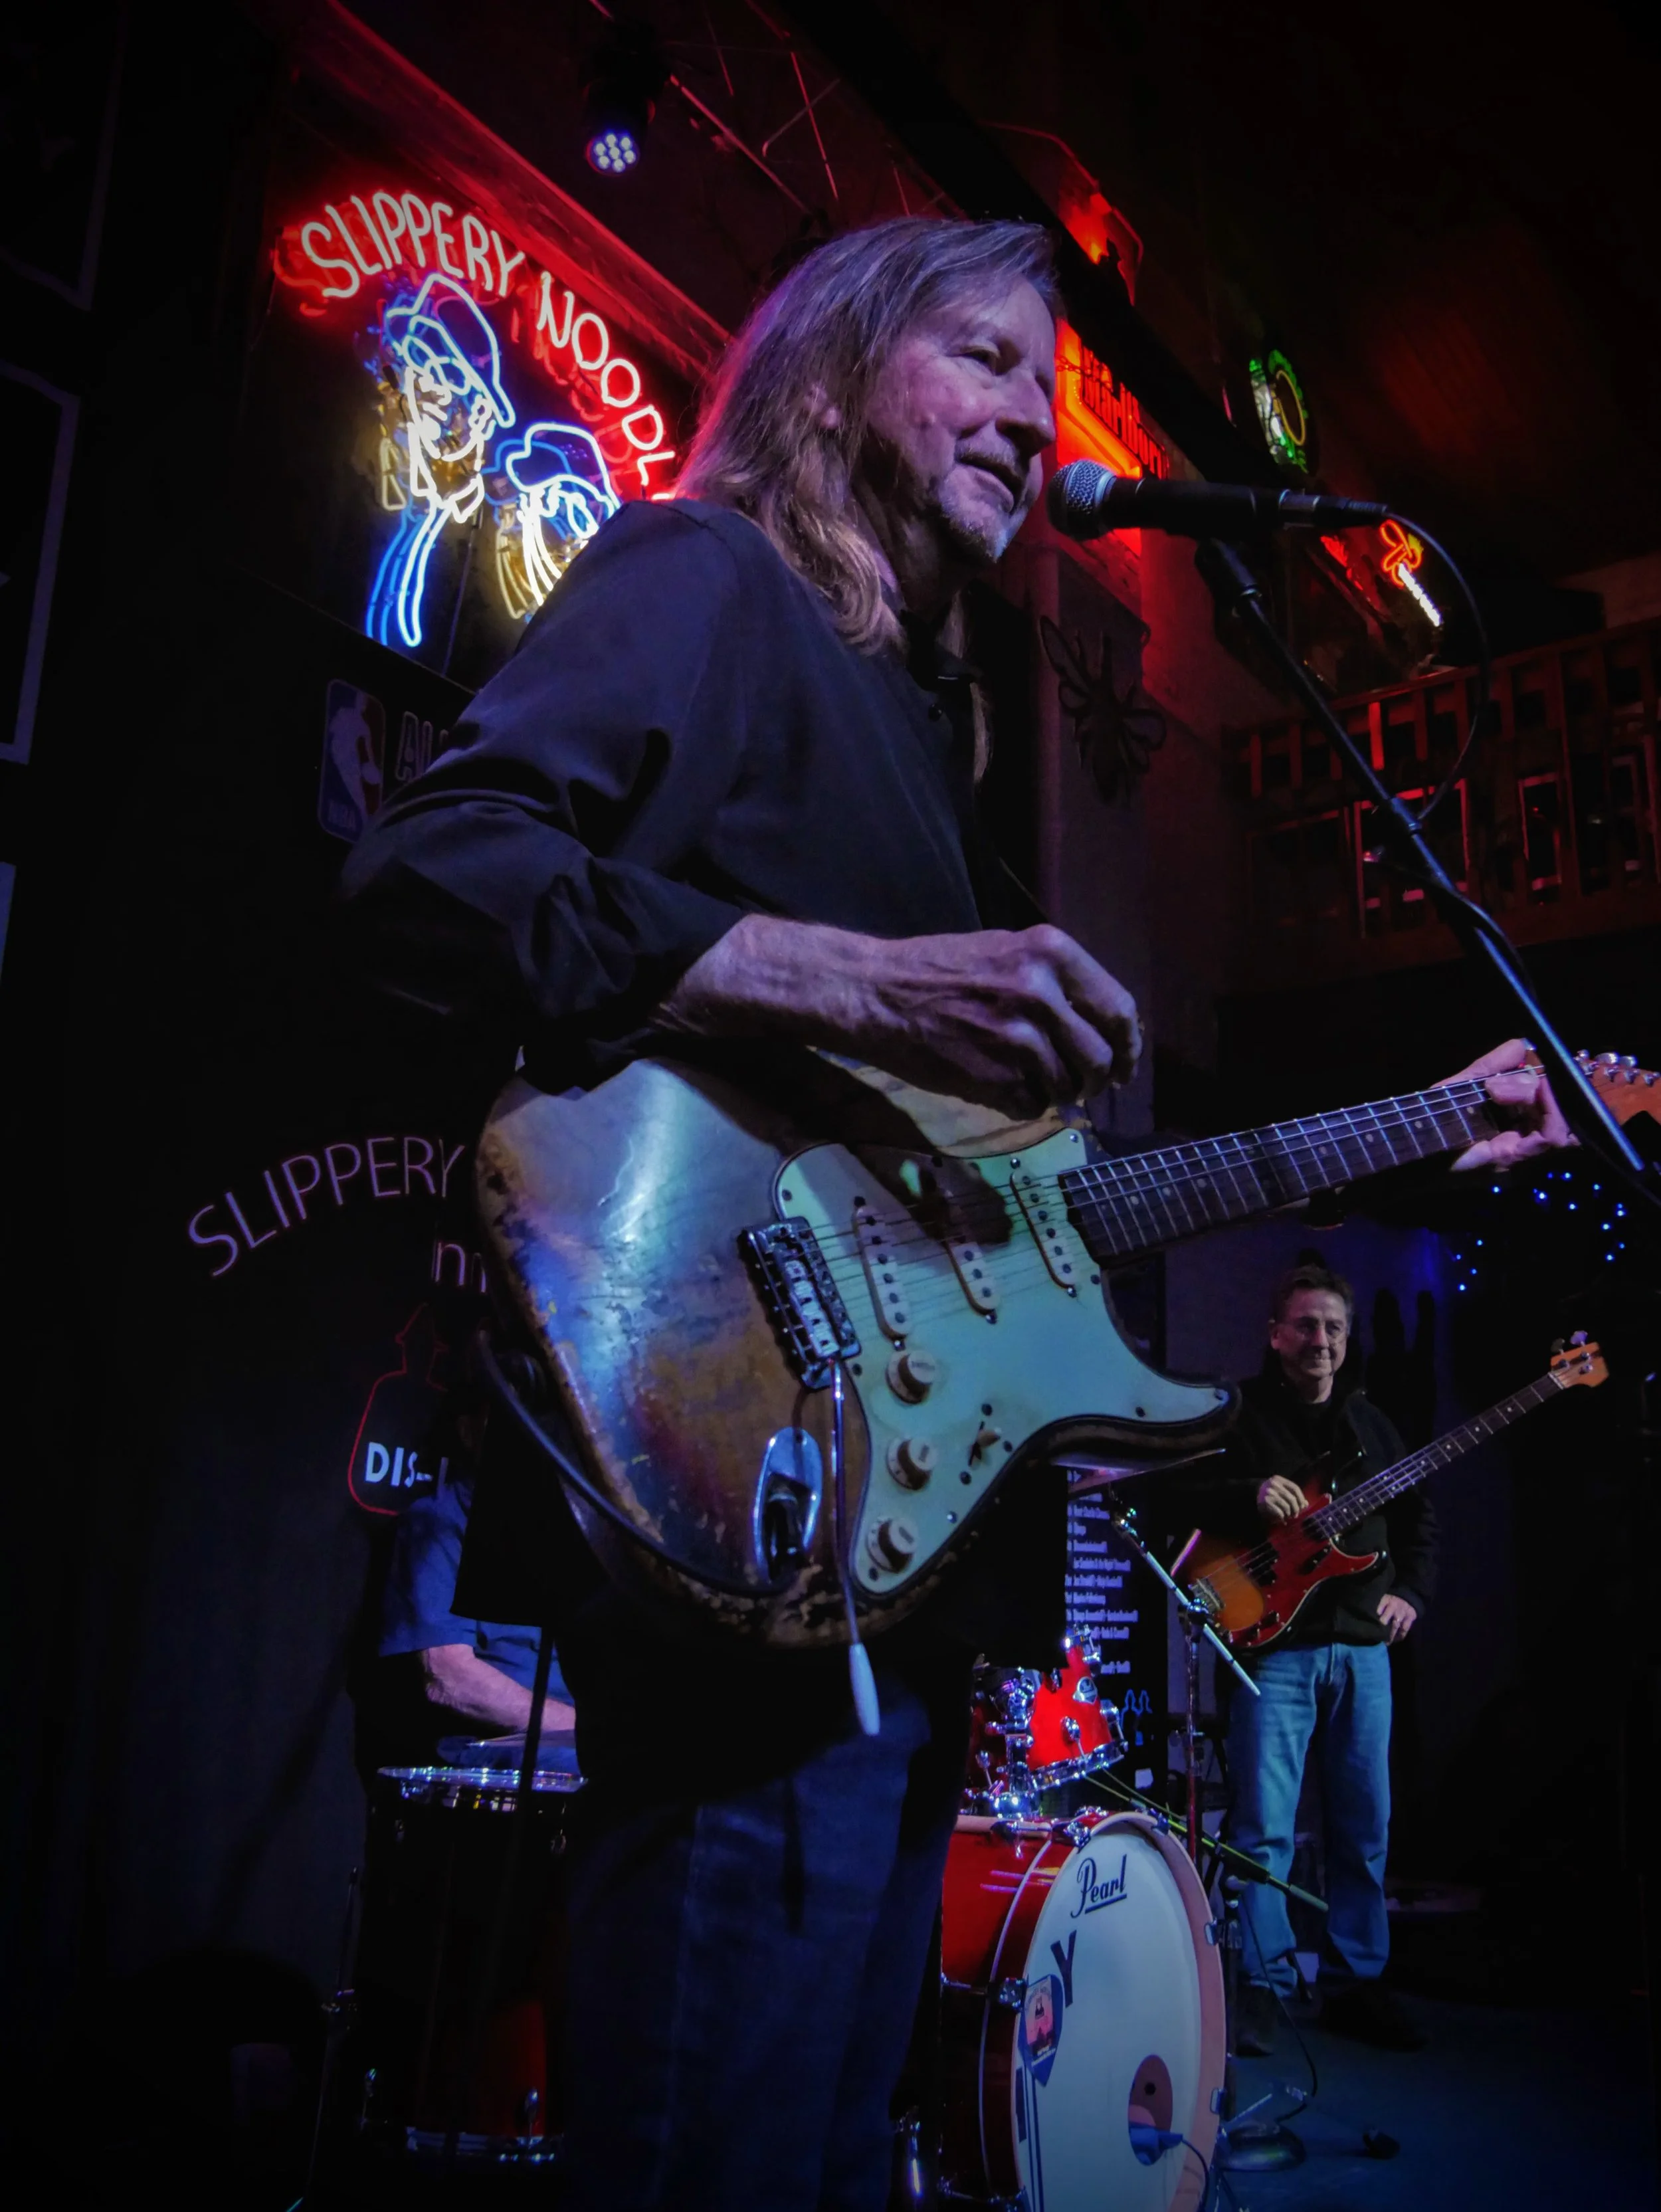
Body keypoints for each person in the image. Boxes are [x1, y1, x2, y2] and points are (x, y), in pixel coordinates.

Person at [340, 216, 1563, 2209]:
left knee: (818, 2154)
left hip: (901, 1586)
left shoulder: (932, 731)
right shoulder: (705, 579)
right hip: (738, 1497)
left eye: (1041, 376)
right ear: (835, 366)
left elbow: (1019, 1217)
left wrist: (1431, 1120)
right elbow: (429, 873)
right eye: (981, 355)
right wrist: (834, 973)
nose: (1026, 409)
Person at [1210, 1262, 1437, 2056]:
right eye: (1305, 1324)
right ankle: (1264, 1990)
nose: (1321, 1340)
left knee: (1363, 1828)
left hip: (1364, 1651)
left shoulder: (1374, 1426)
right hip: (1273, 1648)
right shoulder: (1237, 1413)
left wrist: (1410, 1589)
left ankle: (1355, 1982)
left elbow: (1419, 1521)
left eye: (1334, 1326)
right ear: (1275, 1335)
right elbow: (1176, 1495)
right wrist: (1245, 1491)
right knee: (1263, 1830)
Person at [377, 1464, 579, 1766]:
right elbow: (448, 1678)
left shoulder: (572, 1521)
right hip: (497, 1741)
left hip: (582, 1732)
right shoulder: (441, 1522)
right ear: (468, 1432)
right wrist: (579, 1728)